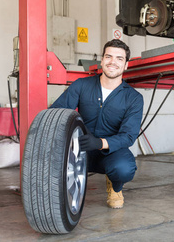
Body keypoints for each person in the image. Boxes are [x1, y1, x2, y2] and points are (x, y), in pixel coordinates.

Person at [50, 39, 144, 209]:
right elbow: (56, 112)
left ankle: (115, 187)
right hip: (79, 149)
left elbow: (128, 136)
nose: (112, 62)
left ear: (126, 65)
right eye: (108, 56)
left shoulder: (134, 98)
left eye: (119, 58)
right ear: (102, 61)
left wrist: (100, 143)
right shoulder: (82, 85)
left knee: (124, 168)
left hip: (109, 154)